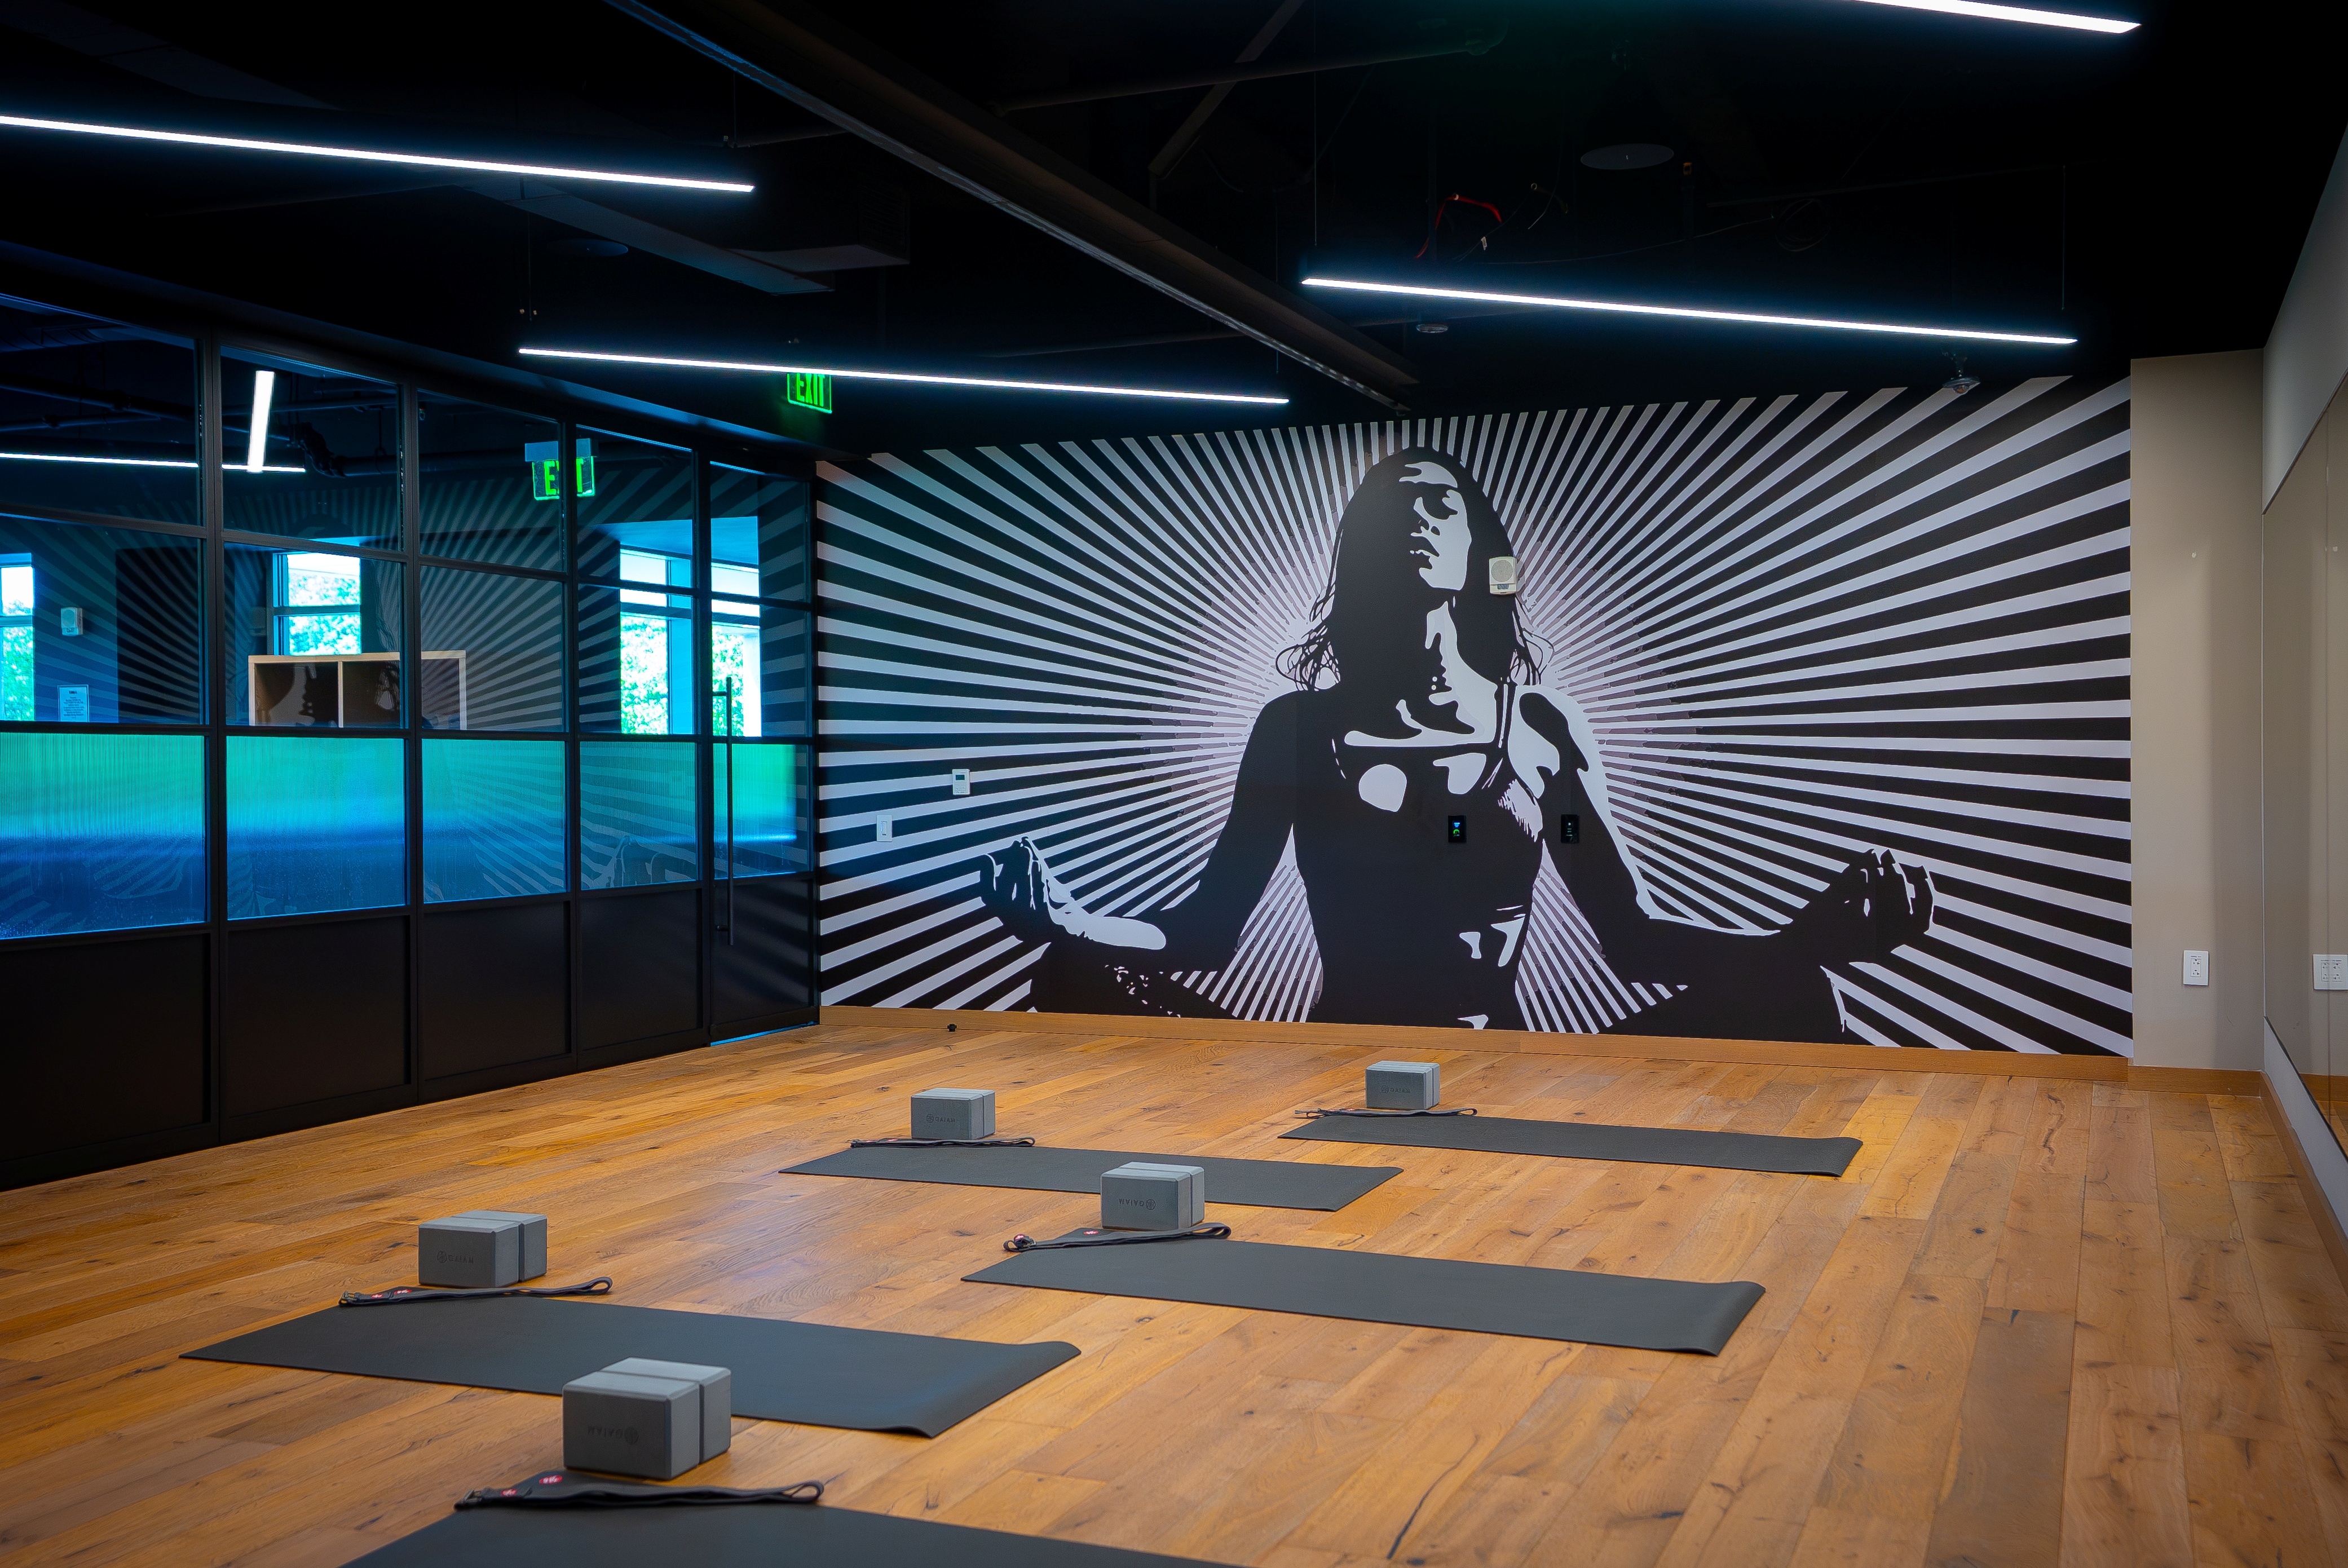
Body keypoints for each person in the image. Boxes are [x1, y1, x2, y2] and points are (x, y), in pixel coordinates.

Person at [977, 446, 1932, 1041]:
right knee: (1070, 968)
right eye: (1393, 508)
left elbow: (1631, 940)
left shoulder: (1542, 729)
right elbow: (1207, 934)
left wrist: (1802, 942)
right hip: (1331, 1054)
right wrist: (1073, 920)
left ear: (1480, 545)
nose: (1418, 522)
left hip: (1505, 1058)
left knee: (1799, 992)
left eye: (1440, 504)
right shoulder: (1299, 729)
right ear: (1360, 547)